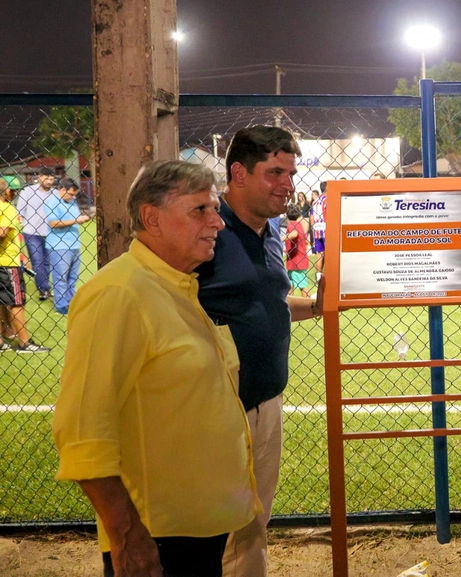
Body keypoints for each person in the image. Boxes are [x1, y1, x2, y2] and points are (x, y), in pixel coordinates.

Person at [52, 160, 260, 577]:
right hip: (158, 537)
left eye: (214, 208)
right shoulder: (119, 293)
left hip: (194, 532)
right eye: (199, 209)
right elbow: (82, 428)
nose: (217, 222)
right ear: (152, 218)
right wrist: (125, 534)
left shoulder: (174, 286)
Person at [196, 125, 325, 577]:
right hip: (218, 404)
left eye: (290, 173)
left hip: (267, 398)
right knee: (218, 529)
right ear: (238, 172)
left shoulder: (270, 231)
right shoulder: (206, 229)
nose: (287, 184)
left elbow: (267, 303)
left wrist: (317, 306)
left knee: (253, 522)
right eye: (274, 172)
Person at [0, 177, 49, 353]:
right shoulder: (7, 209)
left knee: (2, 301)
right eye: (12, 190)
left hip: (5, 261)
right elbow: (3, 233)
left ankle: (4, 336)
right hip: (8, 263)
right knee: (16, 302)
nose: (14, 194)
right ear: (5, 191)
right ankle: (24, 343)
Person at [45, 178, 90, 314]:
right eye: (71, 194)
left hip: (74, 243)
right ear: (63, 190)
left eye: (74, 194)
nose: (73, 197)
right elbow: (53, 223)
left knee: (73, 277)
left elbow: (73, 218)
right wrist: (76, 220)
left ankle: (71, 302)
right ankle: (61, 306)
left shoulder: (71, 202)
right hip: (59, 245)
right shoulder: (52, 202)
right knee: (61, 277)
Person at [16, 166, 56, 299]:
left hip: (51, 233)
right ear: (39, 177)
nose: (49, 181)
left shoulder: (56, 194)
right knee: (37, 261)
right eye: (46, 178)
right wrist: (20, 225)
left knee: (47, 262)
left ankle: (44, 285)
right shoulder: (28, 191)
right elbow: (20, 210)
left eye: (51, 179)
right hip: (31, 232)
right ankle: (43, 289)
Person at [283, 203, 311, 297]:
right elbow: (303, 239)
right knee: (290, 284)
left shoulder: (292, 225)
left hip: (296, 262)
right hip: (296, 261)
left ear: (286, 215)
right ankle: (291, 305)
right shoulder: (299, 224)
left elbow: (294, 234)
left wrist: (281, 239)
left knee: (302, 285)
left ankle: (307, 304)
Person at [310, 182, 328, 273]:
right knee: (329, 253)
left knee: (319, 254)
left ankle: (318, 275)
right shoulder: (328, 200)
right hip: (327, 229)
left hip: (317, 230)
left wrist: (313, 228)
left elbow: (312, 216)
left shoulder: (315, 201)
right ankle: (328, 275)